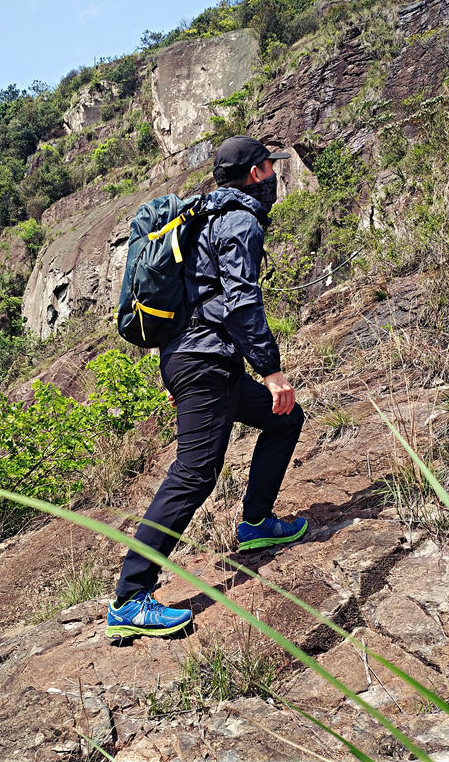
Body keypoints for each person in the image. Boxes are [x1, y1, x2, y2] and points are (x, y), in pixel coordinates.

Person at [106, 135, 307, 639]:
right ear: (258, 173)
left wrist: (176, 372)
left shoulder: (198, 217)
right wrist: (273, 371)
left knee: (285, 418)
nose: (275, 176)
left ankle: (257, 524)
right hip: (205, 363)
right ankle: (131, 597)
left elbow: (185, 298)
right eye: (271, 167)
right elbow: (240, 302)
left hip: (194, 361)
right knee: (195, 473)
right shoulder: (238, 221)